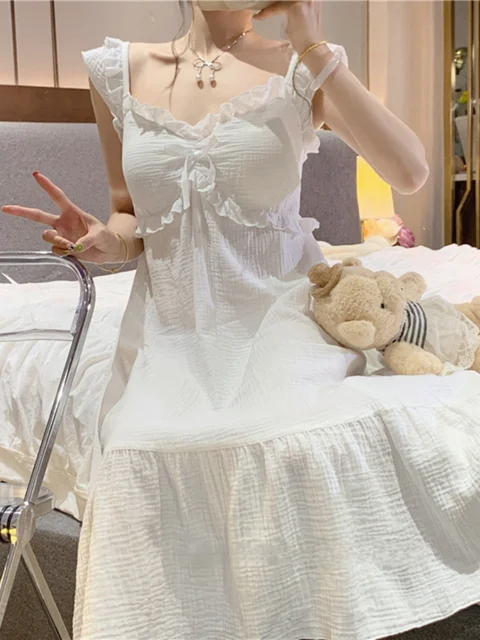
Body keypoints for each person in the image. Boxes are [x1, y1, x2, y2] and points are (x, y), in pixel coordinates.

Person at [3, 1, 480, 639]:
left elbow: (411, 170)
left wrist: (312, 42)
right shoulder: (117, 71)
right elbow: (129, 215)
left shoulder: (300, 67)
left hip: (280, 321)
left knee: (281, 442)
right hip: (173, 335)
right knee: (143, 452)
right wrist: (102, 240)